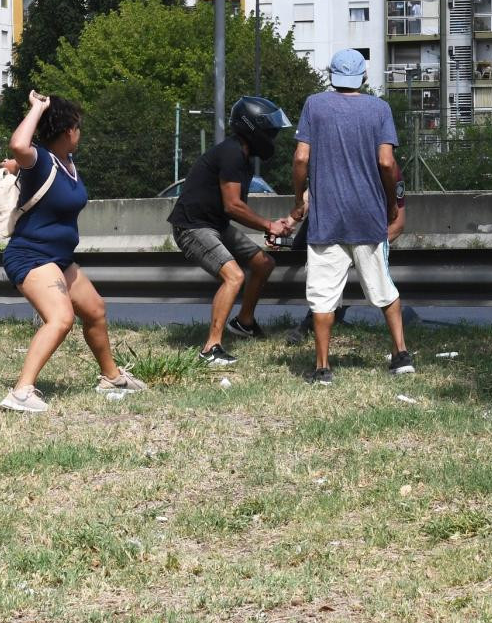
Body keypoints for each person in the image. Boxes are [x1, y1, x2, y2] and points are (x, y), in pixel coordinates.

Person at [0, 92, 146, 412]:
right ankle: (21, 391)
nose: (81, 133)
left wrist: (14, 168)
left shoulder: (66, 163)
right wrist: (38, 108)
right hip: (31, 255)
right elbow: (19, 147)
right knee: (61, 317)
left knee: (94, 309)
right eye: (78, 126)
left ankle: (111, 377)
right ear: (69, 130)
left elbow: (20, 165)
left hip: (59, 258)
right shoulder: (39, 158)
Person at [290, 49, 412, 385]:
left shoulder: (314, 105)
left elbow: (301, 158)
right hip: (367, 218)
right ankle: (401, 355)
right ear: (363, 77)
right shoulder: (379, 109)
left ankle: (322, 368)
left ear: (331, 76)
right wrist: (390, 202)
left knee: (323, 296)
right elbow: (387, 163)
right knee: (383, 288)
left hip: (327, 220)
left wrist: (298, 198)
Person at [167, 96, 294, 366]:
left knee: (263, 263)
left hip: (215, 224)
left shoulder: (244, 157)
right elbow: (234, 206)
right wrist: (269, 225)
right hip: (192, 226)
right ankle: (210, 348)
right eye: (269, 129)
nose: (273, 136)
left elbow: (232, 209)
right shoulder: (232, 153)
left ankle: (244, 323)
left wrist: (267, 225)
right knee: (234, 277)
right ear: (253, 128)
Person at [282, 157, 407, 346]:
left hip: (367, 234)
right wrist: (289, 222)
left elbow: (397, 225)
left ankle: (400, 350)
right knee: (314, 273)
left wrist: (365, 250)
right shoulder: (341, 158)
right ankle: (316, 327)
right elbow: (313, 191)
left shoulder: (391, 174)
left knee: (380, 289)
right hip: (328, 227)